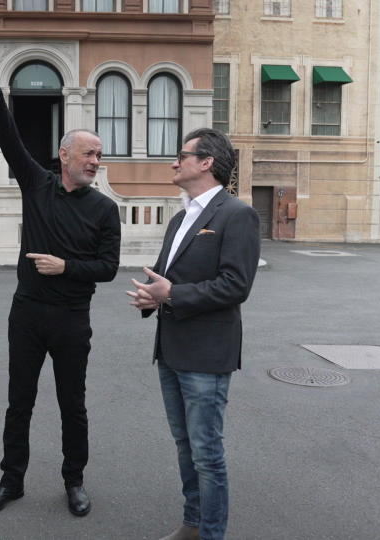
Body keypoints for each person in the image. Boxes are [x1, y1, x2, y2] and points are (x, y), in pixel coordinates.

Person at [0, 37, 121, 518]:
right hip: (28, 314)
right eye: (88, 153)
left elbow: (109, 268)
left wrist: (67, 267)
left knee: (73, 406)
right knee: (20, 404)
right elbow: (9, 136)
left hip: (73, 319)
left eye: (99, 154)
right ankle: (11, 481)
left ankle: (74, 481)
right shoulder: (36, 185)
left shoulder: (105, 209)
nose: (95, 160)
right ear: (64, 155)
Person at [126, 128, 260, 540]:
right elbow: (171, 279)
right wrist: (157, 298)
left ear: (206, 163)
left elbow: (236, 286)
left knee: (206, 452)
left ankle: (211, 534)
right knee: (185, 447)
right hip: (171, 350)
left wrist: (173, 293)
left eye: (181, 155)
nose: (174, 162)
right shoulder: (182, 217)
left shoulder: (237, 215)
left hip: (206, 354)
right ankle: (193, 524)